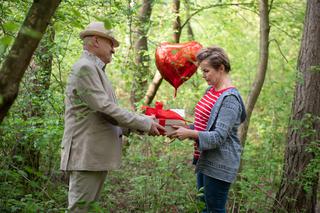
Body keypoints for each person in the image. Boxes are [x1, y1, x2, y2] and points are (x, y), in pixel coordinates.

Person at [60, 21, 164, 212]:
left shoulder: (95, 69)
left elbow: (105, 114)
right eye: (111, 44)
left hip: (94, 155)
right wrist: (143, 122)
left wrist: (137, 126)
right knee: (79, 210)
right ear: (97, 41)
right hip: (86, 154)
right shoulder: (85, 68)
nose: (114, 50)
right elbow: (106, 108)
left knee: (87, 209)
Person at [168, 46, 246, 213]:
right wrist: (185, 127)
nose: (203, 75)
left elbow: (218, 137)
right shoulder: (210, 91)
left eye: (206, 71)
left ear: (221, 68)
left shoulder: (230, 99)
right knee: (204, 207)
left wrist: (189, 133)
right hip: (204, 159)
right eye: (202, 71)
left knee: (215, 209)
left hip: (220, 163)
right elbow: (205, 126)